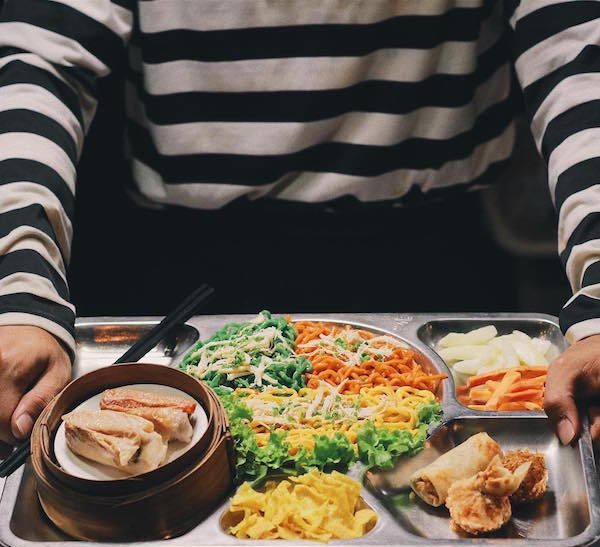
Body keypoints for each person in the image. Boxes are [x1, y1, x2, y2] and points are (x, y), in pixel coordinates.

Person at [0, 0, 598, 448]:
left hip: (428, 258)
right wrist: (19, 284)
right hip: (184, 269)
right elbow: (37, 51)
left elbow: (578, 47)